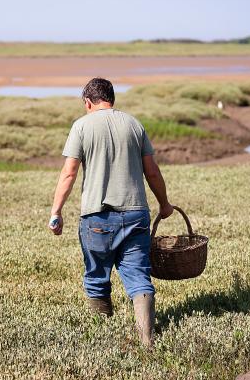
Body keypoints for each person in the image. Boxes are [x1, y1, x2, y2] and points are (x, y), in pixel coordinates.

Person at [48, 77, 173, 347]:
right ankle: (147, 341)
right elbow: (152, 171)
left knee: (96, 278)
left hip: (96, 218)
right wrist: (164, 204)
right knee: (139, 277)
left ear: (88, 102)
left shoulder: (81, 126)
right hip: (136, 214)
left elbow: (69, 173)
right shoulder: (134, 124)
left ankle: (101, 341)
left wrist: (56, 211)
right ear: (111, 99)